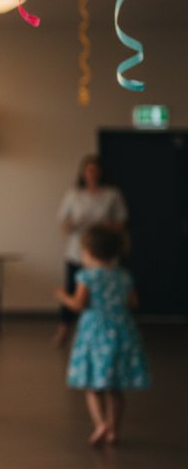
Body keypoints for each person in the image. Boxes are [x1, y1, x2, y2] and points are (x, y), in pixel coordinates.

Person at [55, 224, 150, 446]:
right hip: (121, 331)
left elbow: (79, 304)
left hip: (94, 334)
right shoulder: (123, 276)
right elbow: (133, 302)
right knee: (115, 387)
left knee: (93, 386)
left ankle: (100, 424)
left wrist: (62, 296)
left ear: (88, 252)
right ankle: (114, 429)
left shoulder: (86, 277)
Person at [55, 155, 128, 348]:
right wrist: (74, 223)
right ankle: (64, 331)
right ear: (83, 173)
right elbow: (62, 223)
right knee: (74, 287)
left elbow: (121, 222)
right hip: (77, 250)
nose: (92, 174)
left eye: (95, 170)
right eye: (89, 170)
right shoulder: (74, 194)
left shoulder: (112, 194)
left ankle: (109, 326)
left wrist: (106, 226)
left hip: (104, 251)